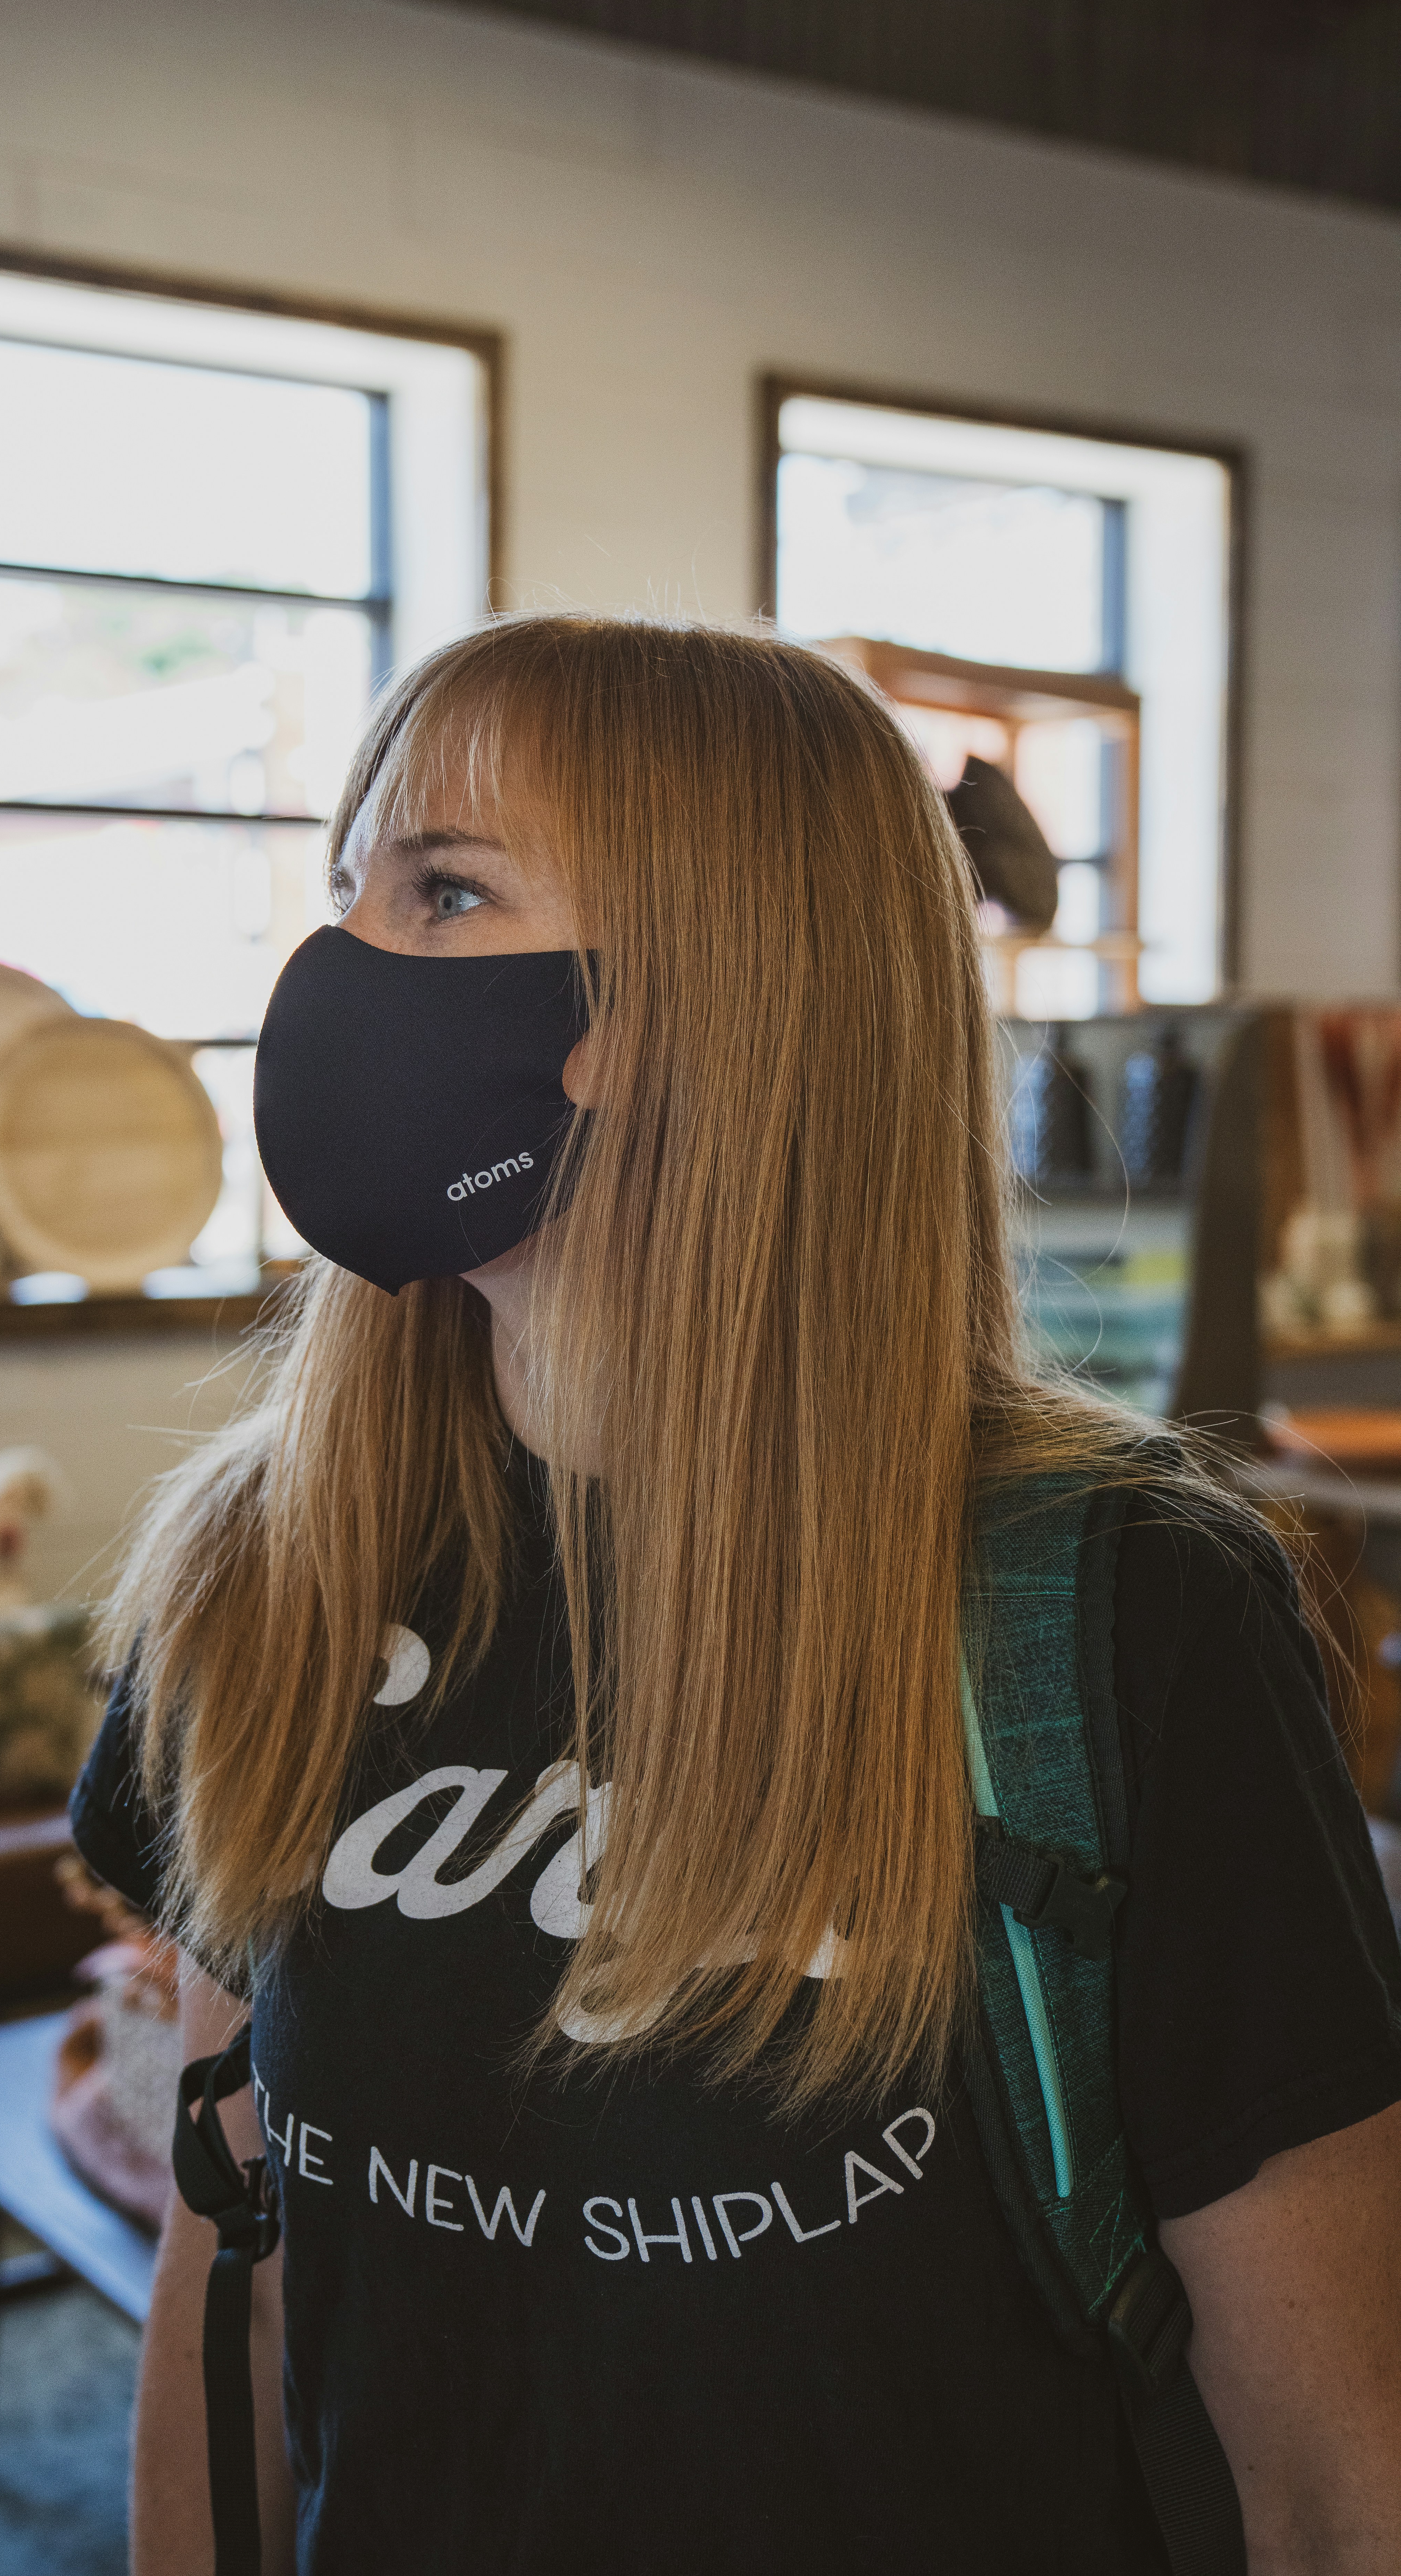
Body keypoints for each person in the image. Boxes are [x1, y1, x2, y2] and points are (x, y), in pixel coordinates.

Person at [72, 616, 1401, 2576]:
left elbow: (1328, 2461)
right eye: (345, 886)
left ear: (709, 997)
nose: (339, 969)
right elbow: (233, 2268)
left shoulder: (1126, 1611)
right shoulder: (266, 1576)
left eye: (441, 889)